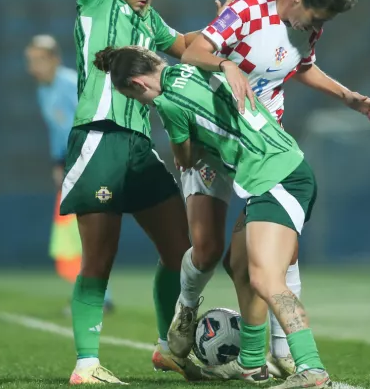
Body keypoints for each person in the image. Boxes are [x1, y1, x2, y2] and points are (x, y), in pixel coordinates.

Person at [167, 0, 370, 377]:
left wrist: (347, 96)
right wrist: (226, 64)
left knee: (263, 258)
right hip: (213, 141)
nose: (317, 26)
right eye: (318, 17)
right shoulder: (247, 7)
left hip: (260, 149)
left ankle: (270, 356)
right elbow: (193, 52)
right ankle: (186, 311)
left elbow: (302, 67)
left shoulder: (307, 27)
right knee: (207, 251)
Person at [94, 45, 336, 389]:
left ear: (137, 83)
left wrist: (190, 144)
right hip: (282, 169)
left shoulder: (166, 103)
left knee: (266, 280)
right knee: (238, 263)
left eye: (135, 98)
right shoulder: (198, 67)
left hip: (276, 179)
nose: (142, 104)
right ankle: (251, 362)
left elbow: (186, 159)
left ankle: (311, 367)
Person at [60, 0, 204, 384]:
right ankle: (87, 363)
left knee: (182, 250)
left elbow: (186, 43)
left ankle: (171, 347)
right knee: (99, 258)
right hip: (98, 139)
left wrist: (226, 40)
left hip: (139, 149)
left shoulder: (150, 22)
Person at [24, 34, 112, 313]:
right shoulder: (43, 89)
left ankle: (92, 297)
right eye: (30, 61)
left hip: (88, 163)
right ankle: (95, 295)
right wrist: (56, 164)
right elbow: (57, 131)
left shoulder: (69, 84)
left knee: (83, 233)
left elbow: (91, 123)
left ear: (54, 59)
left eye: (39, 60)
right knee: (73, 237)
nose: (34, 66)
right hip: (70, 167)